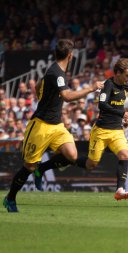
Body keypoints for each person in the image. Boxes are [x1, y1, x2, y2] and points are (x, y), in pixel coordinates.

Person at [3, 39, 104, 212]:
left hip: (57, 125)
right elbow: (67, 96)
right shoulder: (57, 73)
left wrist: (44, 98)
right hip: (40, 126)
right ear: (70, 56)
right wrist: (91, 88)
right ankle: (10, 198)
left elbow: (38, 85)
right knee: (28, 166)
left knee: (71, 155)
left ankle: (41, 169)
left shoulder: (55, 72)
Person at [40, 58, 128, 201]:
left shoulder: (126, 87)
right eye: (127, 75)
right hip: (101, 131)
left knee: (124, 155)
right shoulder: (108, 85)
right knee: (91, 164)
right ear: (118, 73)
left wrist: (124, 118)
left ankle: (119, 190)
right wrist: (122, 113)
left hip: (117, 131)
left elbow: (118, 106)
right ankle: (52, 164)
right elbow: (102, 105)